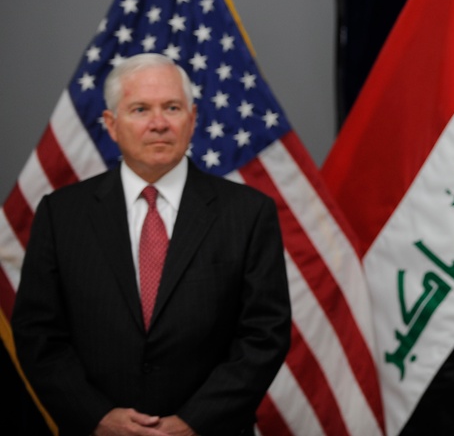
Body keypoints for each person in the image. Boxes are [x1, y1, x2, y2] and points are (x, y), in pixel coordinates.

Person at [13, 53, 291, 436]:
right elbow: (37, 332)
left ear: (192, 119)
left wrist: (195, 421)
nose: (158, 124)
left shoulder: (248, 213)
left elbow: (265, 334)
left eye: (172, 108)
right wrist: (96, 416)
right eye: (140, 109)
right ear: (112, 125)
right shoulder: (61, 215)